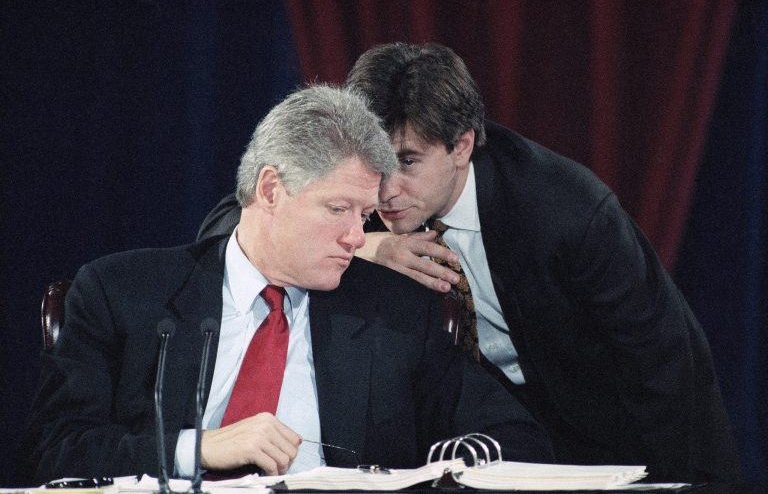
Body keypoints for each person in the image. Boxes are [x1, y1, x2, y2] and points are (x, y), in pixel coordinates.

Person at [197, 43, 741, 483]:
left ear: (461, 146)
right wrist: (370, 244)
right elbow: (230, 225)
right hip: (461, 437)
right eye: (376, 164)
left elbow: (664, 360)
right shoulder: (362, 204)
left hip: (606, 430)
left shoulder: (566, 210)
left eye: (407, 162)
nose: (385, 190)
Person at [18, 85, 553, 484]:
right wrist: (196, 449)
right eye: (338, 208)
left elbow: (512, 433)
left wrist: (448, 466)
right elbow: (55, 451)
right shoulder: (122, 293)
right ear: (270, 189)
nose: (356, 236)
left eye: (365, 212)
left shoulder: (396, 312)